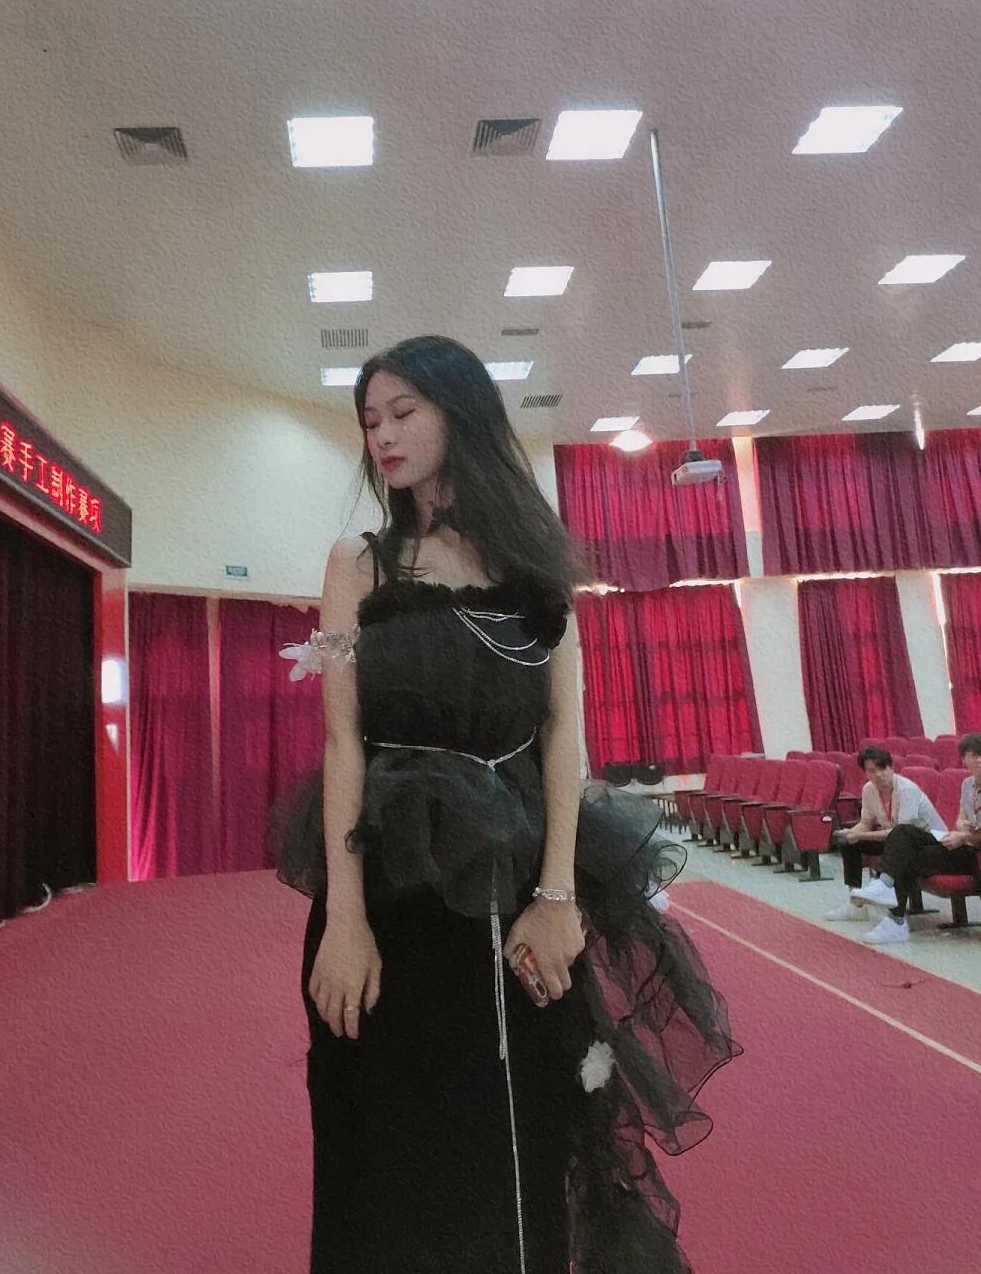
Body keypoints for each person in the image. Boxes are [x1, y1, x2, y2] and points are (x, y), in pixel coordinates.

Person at [274, 335, 738, 1274]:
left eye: (403, 412)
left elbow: (566, 735)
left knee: (523, 1127)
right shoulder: (358, 564)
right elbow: (342, 745)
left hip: (522, 886)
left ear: (461, 414)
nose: (381, 434)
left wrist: (558, 897)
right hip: (391, 890)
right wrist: (346, 920)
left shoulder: (536, 569)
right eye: (369, 419)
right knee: (386, 1130)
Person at [849, 734, 981, 943]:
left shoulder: (906, 789)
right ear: (964, 759)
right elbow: (961, 817)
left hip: (974, 853)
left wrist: (963, 835)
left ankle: (894, 914)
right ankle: (891, 910)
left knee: (903, 845)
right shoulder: (967, 784)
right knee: (903, 837)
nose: (977, 760)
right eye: (972, 755)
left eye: (980, 755)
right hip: (959, 843)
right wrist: (961, 827)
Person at [825, 744, 946, 943]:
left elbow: (900, 833)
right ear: (865, 773)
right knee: (849, 842)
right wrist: (852, 833)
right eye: (872, 770)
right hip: (897, 839)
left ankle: (895, 916)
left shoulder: (907, 790)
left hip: (929, 841)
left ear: (891, 768)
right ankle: (856, 905)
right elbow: (865, 823)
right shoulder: (868, 790)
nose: (878, 775)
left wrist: (861, 835)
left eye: (883, 768)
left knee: (898, 844)